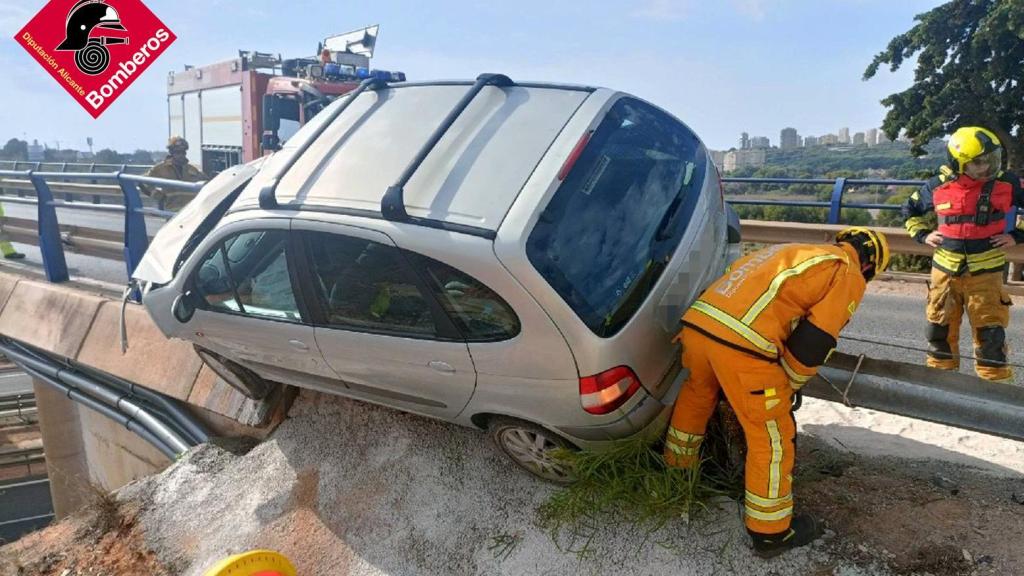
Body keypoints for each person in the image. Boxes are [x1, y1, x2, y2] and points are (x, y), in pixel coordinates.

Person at [663, 227, 889, 558]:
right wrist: (787, 384)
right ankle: (770, 533)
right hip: (742, 346)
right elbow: (816, 340)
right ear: (869, 266)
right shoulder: (848, 271)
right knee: (772, 436)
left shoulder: (795, 251)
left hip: (699, 328)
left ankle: (676, 477)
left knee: (697, 398)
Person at [902, 126, 1023, 382]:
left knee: (990, 336)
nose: (986, 167)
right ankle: (942, 384)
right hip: (944, 273)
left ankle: (995, 388)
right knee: (938, 331)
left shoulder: (1006, 184)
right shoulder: (937, 186)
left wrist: (1017, 235)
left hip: (986, 274)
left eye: (990, 159)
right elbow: (910, 210)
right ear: (959, 163)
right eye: (978, 162)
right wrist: (923, 235)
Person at [142, 136, 208, 211]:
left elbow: (207, 184)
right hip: (171, 213)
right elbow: (143, 182)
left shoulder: (193, 170)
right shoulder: (161, 169)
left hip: (190, 213)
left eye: (183, 152)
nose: (181, 155)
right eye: (177, 152)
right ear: (171, 152)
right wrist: (157, 195)